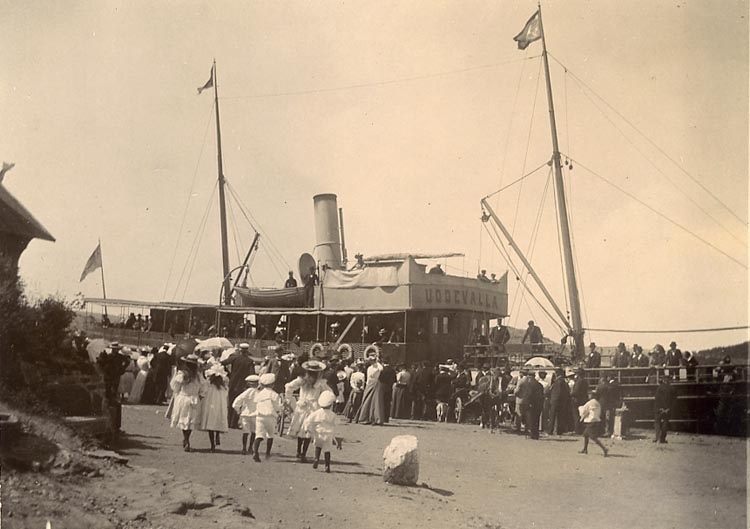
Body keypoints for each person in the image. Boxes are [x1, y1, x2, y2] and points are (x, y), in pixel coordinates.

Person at [286, 359, 330, 462]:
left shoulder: (304, 381)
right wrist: (324, 403)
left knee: (303, 429)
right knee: (307, 430)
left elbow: (289, 387)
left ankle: (299, 452)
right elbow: (329, 393)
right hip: (311, 407)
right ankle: (302, 453)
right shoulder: (317, 382)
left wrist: (289, 399)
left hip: (304, 406)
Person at [169, 353, 205, 452]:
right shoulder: (198, 376)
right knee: (190, 420)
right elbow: (204, 388)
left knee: (183, 418)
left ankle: (185, 439)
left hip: (183, 397)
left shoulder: (182, 374)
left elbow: (174, 386)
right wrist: (200, 395)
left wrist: (178, 392)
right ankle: (187, 438)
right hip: (194, 398)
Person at [302, 391, 343, 473]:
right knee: (327, 450)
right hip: (328, 435)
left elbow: (308, 421)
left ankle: (316, 458)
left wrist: (307, 429)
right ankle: (327, 465)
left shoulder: (317, 413)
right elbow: (337, 423)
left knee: (318, 446)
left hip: (318, 433)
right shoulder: (332, 414)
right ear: (330, 405)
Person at [222, 343, 256, 429]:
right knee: (239, 403)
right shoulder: (249, 361)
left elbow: (222, 363)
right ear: (247, 351)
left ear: (240, 350)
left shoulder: (234, 358)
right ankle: (234, 423)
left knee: (230, 402)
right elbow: (252, 374)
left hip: (233, 382)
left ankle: (228, 421)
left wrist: (228, 373)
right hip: (242, 384)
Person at [252, 373, 282, 461]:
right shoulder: (274, 394)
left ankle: (255, 452)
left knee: (258, 435)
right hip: (270, 416)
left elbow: (255, 402)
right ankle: (267, 453)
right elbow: (277, 407)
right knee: (270, 435)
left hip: (259, 416)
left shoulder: (259, 394)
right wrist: (279, 411)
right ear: (272, 384)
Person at [200, 363, 229, 453]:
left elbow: (203, 393)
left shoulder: (208, 386)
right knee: (218, 420)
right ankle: (217, 435)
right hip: (220, 407)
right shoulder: (223, 388)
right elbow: (226, 395)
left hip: (210, 407)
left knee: (211, 424)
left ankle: (212, 444)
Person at [232, 374, 260, 455]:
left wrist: (238, 411)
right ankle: (250, 447)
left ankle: (244, 448)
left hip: (246, 414)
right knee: (254, 432)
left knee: (245, 432)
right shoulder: (259, 393)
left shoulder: (246, 392)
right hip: (255, 414)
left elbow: (236, 402)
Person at [354, 356, 386, 425]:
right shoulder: (369, 368)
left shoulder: (378, 367)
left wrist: (377, 362)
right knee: (367, 399)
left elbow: (381, 369)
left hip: (376, 384)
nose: (371, 361)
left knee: (376, 401)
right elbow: (368, 377)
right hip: (370, 384)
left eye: (372, 360)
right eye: (370, 360)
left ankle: (375, 418)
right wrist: (367, 385)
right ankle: (365, 417)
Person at [578, 390, 609, 456]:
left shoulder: (590, 403)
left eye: (590, 394)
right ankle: (585, 449)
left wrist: (580, 409)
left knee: (592, 437)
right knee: (586, 434)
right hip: (596, 420)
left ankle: (604, 448)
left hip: (591, 421)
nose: (589, 395)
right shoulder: (598, 403)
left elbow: (584, 410)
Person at [519, 371, 544, 439]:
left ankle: (532, 434)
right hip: (538, 404)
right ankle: (536, 434)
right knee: (536, 420)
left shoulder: (529, 385)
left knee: (531, 419)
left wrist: (525, 403)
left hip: (531, 404)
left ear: (529, 377)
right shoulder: (539, 384)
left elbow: (528, 395)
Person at [547, 369, 573, 435]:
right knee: (560, 417)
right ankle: (559, 431)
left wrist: (554, 400)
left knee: (552, 416)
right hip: (560, 401)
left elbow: (558, 392)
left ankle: (550, 430)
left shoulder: (558, 381)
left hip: (556, 401)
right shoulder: (562, 381)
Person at [653, 375, 676, 444]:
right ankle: (662, 439)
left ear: (663, 380)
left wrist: (660, 408)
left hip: (659, 408)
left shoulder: (659, 388)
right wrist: (668, 408)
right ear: (669, 381)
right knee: (665, 423)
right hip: (668, 409)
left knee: (657, 422)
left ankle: (657, 438)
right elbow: (674, 400)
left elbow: (657, 399)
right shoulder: (672, 389)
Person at [571, 368, 589, 433]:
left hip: (577, 400)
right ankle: (581, 429)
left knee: (576, 415)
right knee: (582, 415)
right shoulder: (585, 381)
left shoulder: (578, 382)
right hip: (583, 400)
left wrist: (571, 393)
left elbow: (576, 392)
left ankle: (577, 429)